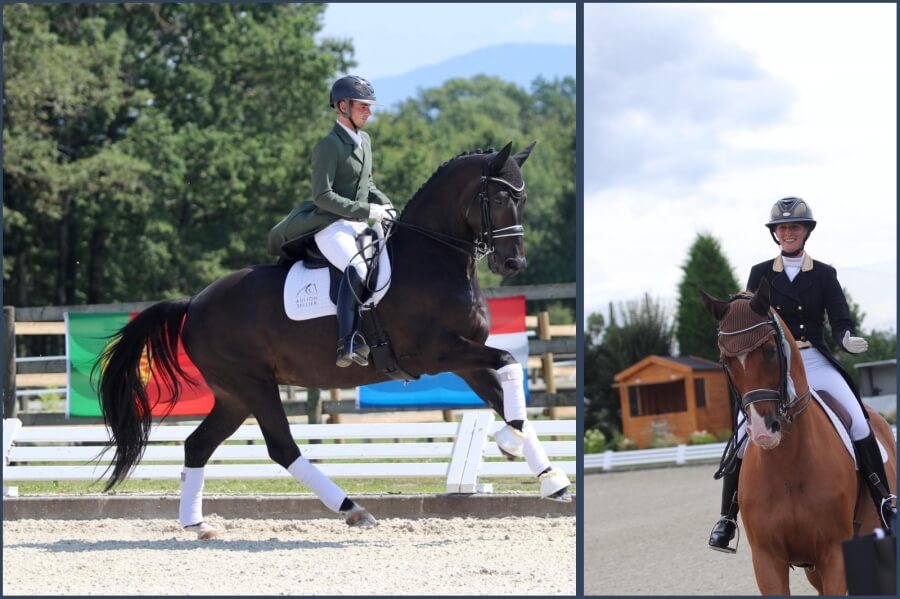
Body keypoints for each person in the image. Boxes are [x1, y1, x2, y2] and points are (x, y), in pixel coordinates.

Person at [708, 197, 897, 553]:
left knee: (858, 420)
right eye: (782, 228)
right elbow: (748, 318)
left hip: (814, 360)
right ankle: (727, 518)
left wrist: (846, 338)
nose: (788, 233)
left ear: (806, 231)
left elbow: (839, 319)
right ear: (775, 234)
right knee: (742, 431)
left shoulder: (824, 274)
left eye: (794, 227)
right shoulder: (760, 273)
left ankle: (885, 501)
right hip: (771, 363)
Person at [268, 75, 393, 368]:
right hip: (330, 224)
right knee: (358, 268)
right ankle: (347, 342)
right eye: (363, 106)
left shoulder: (365, 141)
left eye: (369, 107)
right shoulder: (328, 145)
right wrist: (367, 210)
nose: (369, 112)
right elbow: (322, 196)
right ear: (343, 106)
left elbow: (368, 184)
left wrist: (385, 204)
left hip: (357, 223)